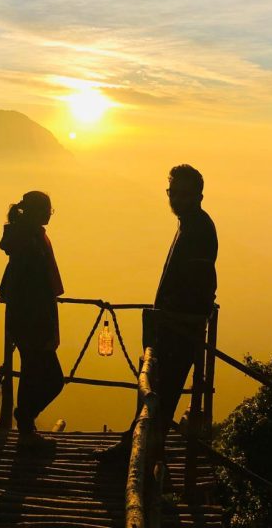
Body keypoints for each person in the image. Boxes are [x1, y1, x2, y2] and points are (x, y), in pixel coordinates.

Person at [98, 164, 217, 460]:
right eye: (172, 192)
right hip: (174, 323)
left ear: (198, 195)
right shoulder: (190, 224)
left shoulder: (198, 228)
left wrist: (175, 314)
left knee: (159, 392)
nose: (175, 199)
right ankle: (140, 449)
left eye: (182, 194)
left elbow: (200, 283)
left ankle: (140, 455)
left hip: (179, 327)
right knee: (157, 391)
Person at [0, 190, 65, 445]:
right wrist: (47, 328)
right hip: (32, 321)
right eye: (47, 209)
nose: (50, 214)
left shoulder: (28, 237)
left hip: (24, 319)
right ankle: (25, 421)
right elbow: (34, 288)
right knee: (52, 379)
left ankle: (26, 429)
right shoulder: (30, 242)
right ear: (37, 212)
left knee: (30, 373)